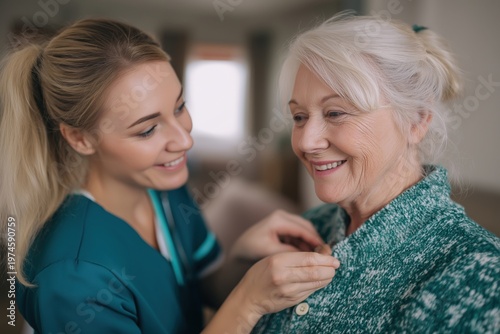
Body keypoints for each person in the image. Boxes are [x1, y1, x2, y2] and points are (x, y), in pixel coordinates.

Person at [0, 18, 341, 334]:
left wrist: (244, 256)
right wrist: (249, 301)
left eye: (179, 107)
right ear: (80, 138)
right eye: (148, 130)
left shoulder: (166, 191)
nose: (185, 140)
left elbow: (200, 287)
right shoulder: (71, 277)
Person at [252, 13, 500, 333]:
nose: (306, 141)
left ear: (416, 121)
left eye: (336, 112)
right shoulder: (312, 228)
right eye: (299, 116)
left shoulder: (479, 274)